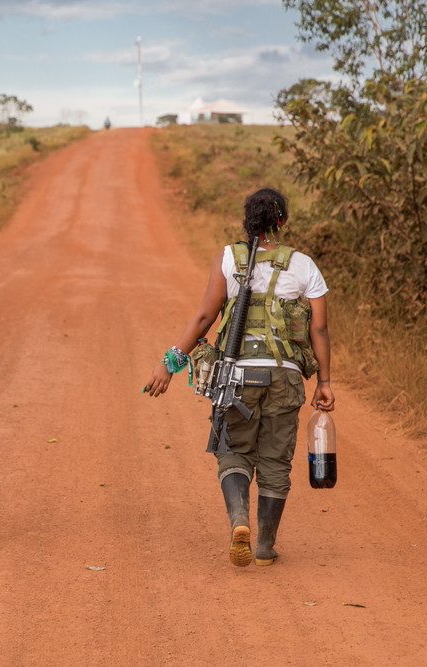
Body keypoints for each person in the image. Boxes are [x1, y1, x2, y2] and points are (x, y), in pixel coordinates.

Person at [143, 187, 335, 567]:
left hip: (236, 377)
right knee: (276, 461)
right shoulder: (304, 265)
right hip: (286, 377)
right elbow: (320, 330)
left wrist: (169, 363)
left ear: (247, 219)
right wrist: (324, 383)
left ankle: (238, 520)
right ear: (281, 221)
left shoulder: (229, 258)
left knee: (232, 452)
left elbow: (203, 318)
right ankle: (264, 545)